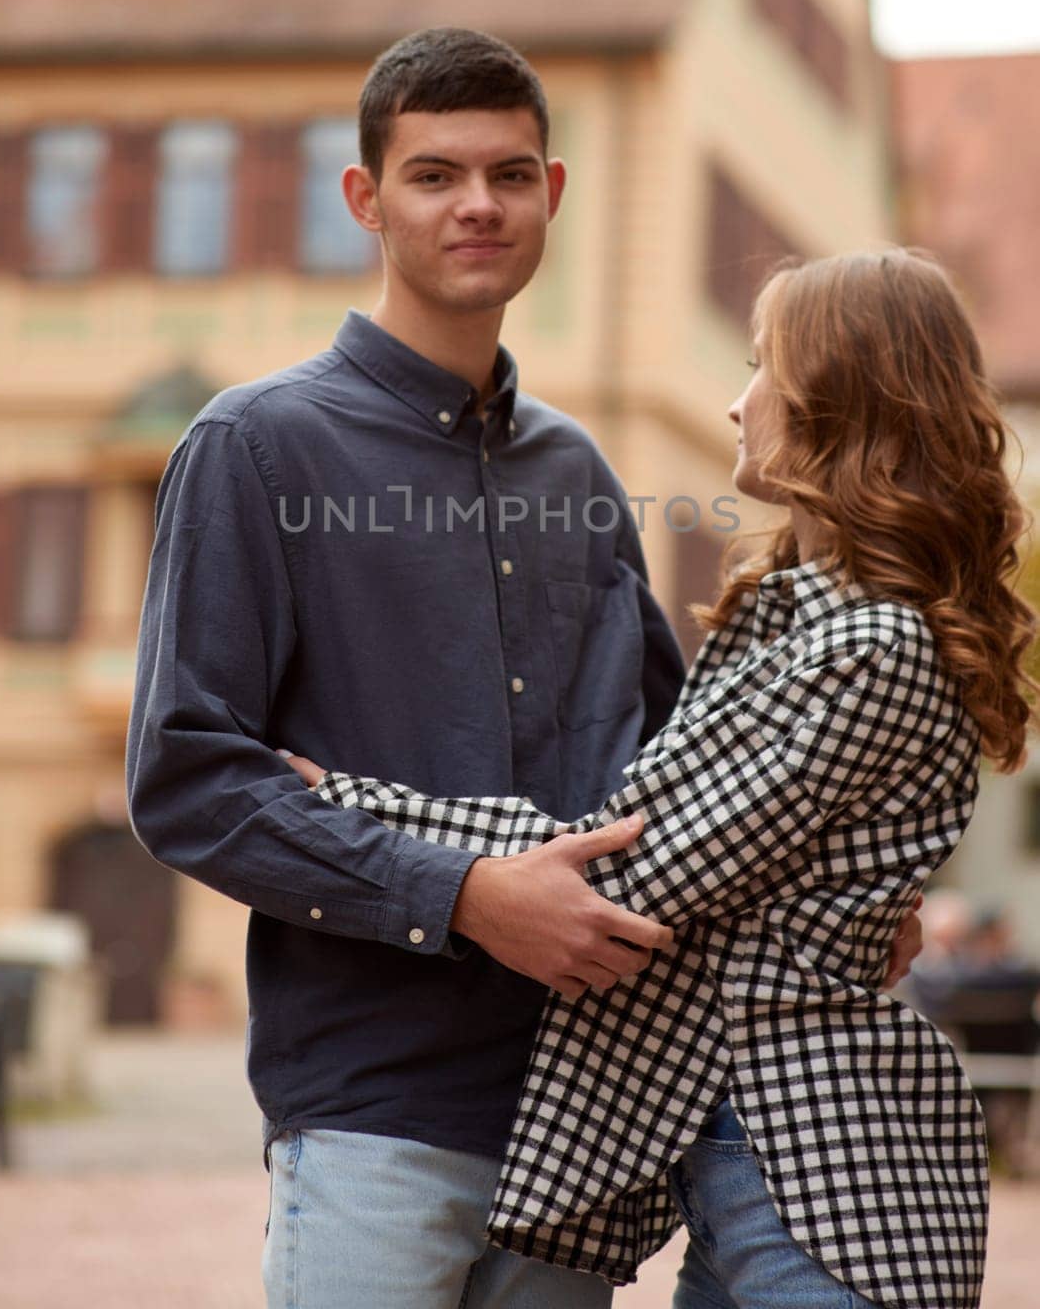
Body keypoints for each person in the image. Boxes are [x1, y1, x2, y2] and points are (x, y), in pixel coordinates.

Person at [126, 29, 920, 1309]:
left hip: (583, 1122)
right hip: (376, 1107)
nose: (477, 204)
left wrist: (837, 889)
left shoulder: (583, 478)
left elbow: (680, 765)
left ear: (553, 193)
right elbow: (188, 780)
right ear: (366, 199)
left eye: (507, 173)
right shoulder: (255, 447)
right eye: (434, 175)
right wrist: (466, 892)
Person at [281, 248, 1038, 1309]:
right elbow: (637, 825)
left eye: (763, 367)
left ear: (840, 401)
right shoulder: (790, 623)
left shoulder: (871, 649)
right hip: (741, 1187)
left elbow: (620, 876)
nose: (736, 403)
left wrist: (356, 800)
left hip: (830, 1190)